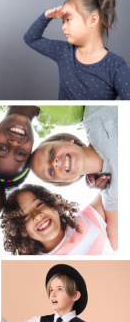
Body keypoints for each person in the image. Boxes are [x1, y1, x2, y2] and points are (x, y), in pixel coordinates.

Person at [30, 106, 118, 249]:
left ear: (66, 140)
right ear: (65, 182)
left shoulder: (93, 115)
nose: (54, 162)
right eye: (51, 172)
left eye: (51, 153)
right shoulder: (111, 192)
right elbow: (112, 246)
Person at [24, 0, 130, 100]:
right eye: (63, 22)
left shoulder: (116, 66)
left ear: (93, 20)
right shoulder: (63, 51)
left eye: (68, 20)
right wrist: (46, 17)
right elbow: (31, 38)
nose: (63, 27)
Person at [1, 184, 116, 255]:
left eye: (39, 204)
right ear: (19, 231)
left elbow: (114, 184)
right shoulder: (34, 266)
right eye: (25, 216)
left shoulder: (87, 219)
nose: (37, 215)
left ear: (53, 204)